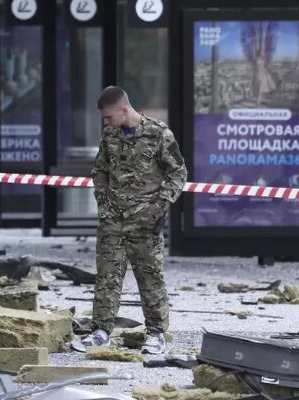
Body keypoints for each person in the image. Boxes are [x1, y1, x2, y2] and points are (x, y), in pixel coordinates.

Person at [82, 86, 187, 354]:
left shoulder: (158, 134)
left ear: (124, 110)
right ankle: (101, 331)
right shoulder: (110, 135)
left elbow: (178, 173)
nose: (105, 123)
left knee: (150, 277)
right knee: (107, 277)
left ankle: (156, 334)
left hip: (145, 222)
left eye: (109, 117)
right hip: (113, 221)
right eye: (103, 119)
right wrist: (103, 204)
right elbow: (100, 171)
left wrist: (159, 207)